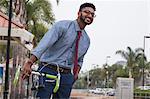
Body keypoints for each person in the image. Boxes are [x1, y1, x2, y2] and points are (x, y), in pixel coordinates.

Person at [22, 2, 96, 99]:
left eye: (92, 14)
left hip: (66, 76)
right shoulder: (62, 26)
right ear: (79, 13)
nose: (89, 15)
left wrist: (74, 75)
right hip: (48, 70)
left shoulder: (86, 40)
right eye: (87, 12)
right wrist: (29, 62)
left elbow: (80, 60)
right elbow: (44, 44)